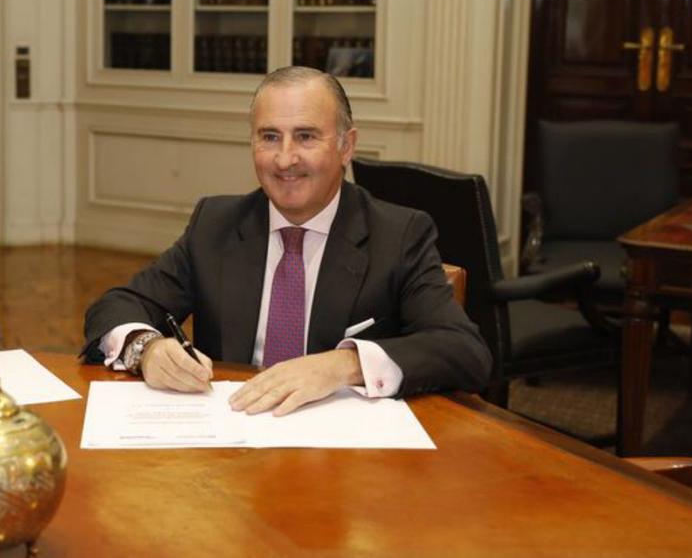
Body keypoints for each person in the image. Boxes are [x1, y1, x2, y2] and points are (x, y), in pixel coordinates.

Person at [83, 66, 490, 415]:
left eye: (306, 136)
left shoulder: (398, 234)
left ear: (346, 146)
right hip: (231, 444)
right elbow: (116, 305)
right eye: (270, 137)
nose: (285, 159)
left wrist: (344, 365)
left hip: (346, 460)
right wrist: (146, 349)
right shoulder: (217, 224)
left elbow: (463, 352)